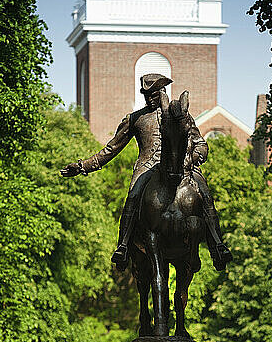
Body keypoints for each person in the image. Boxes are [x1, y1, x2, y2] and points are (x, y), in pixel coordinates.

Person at [61, 73, 232, 271]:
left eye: (153, 95)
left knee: (204, 194)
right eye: (145, 95)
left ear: (163, 93)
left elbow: (200, 144)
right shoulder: (135, 119)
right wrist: (83, 166)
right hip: (146, 169)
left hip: (182, 166)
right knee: (133, 196)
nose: (149, 99)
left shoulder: (181, 115)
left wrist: (192, 159)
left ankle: (217, 246)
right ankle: (123, 247)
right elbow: (111, 149)